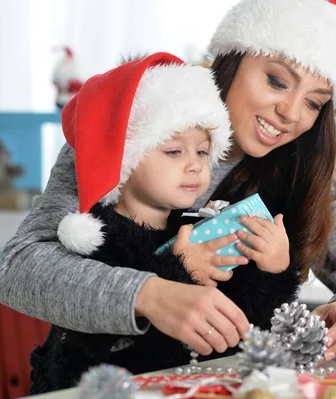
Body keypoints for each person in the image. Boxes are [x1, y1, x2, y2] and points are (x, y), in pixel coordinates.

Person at [0, 0, 336, 371]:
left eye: (314, 102)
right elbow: (17, 268)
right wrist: (151, 295)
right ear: (232, 59)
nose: (291, 113)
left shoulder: (301, 174)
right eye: (276, 80)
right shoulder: (137, 118)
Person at [29, 52, 295, 393]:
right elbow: (97, 339)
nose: (196, 166)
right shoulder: (96, 235)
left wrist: (272, 268)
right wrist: (178, 272)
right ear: (127, 157)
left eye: (202, 152)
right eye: (173, 152)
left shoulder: (198, 226)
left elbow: (245, 322)